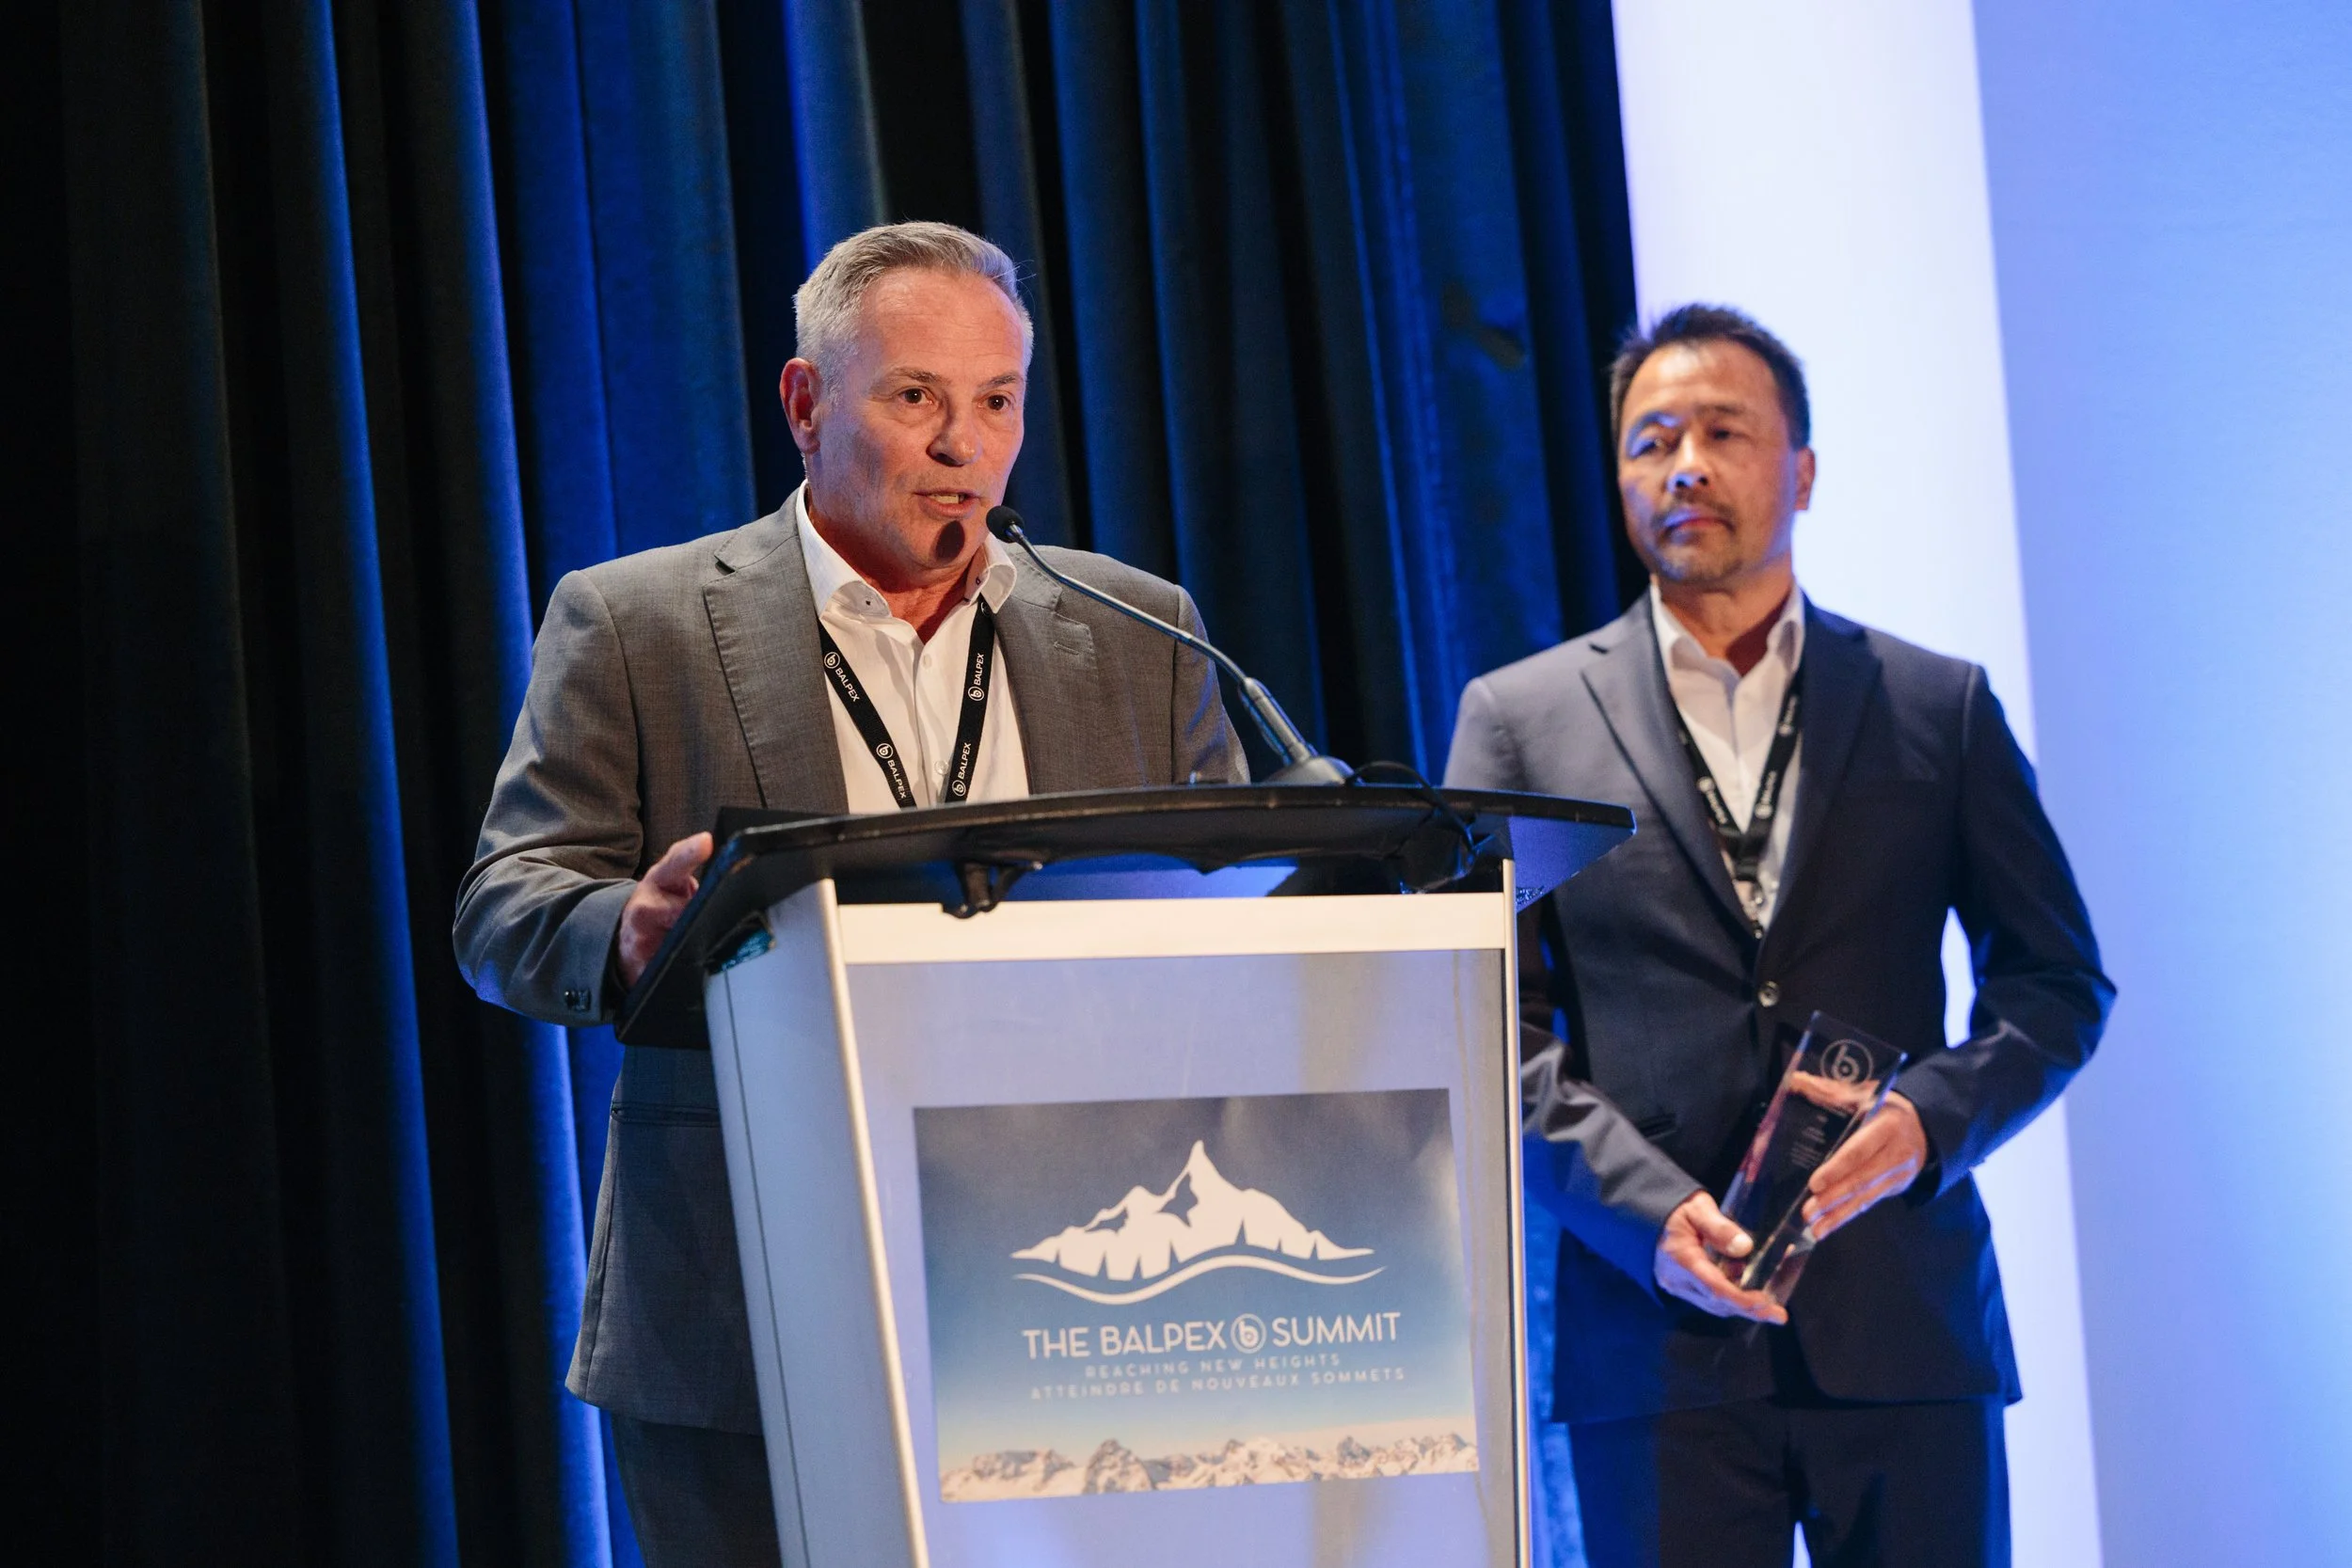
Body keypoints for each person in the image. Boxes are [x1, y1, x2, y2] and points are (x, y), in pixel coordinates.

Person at [454, 222, 1243, 1566]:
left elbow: (1229, 898)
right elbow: (503, 905)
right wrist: (627, 927)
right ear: (807, 404)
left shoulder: (1134, 628)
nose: (965, 445)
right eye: (916, 395)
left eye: (997, 401)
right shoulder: (634, 621)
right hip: (748, 1297)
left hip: (1088, 1295)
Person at [1443, 305, 2111, 1568]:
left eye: (1722, 430)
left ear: (1800, 470)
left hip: (1906, 1327)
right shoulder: (1520, 721)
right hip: (1658, 1343)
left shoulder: (1936, 704)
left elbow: (2056, 984)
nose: (1684, 461)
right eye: (1651, 439)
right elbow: (1484, 1029)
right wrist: (1645, 1212)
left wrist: (1932, 1118)